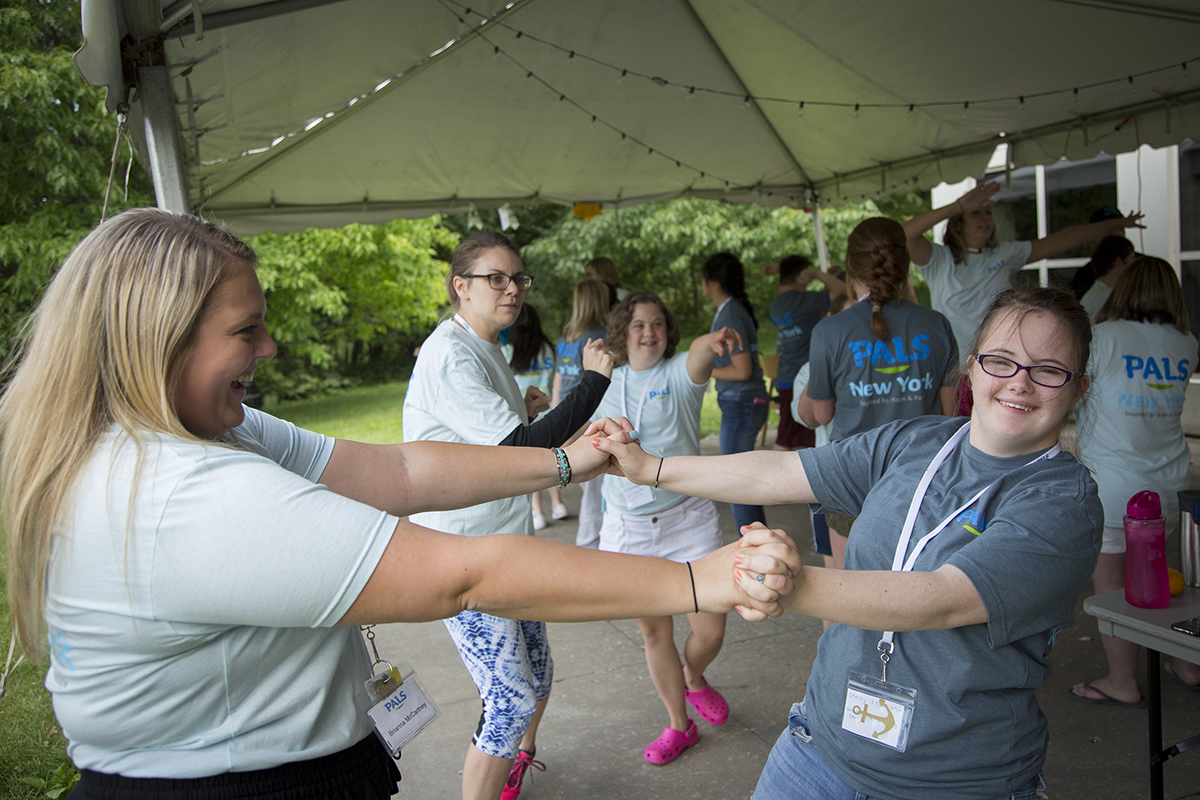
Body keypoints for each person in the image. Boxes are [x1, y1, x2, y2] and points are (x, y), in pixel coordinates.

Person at [1, 209, 801, 800]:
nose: (270, 348)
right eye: (247, 331)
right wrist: (697, 580)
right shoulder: (181, 492)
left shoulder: (209, 432)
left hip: (258, 772)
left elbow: (401, 470)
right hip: (237, 786)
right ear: (160, 338)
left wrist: (564, 460)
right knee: (511, 693)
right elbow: (465, 575)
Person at [597, 284, 1103, 800]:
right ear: (973, 367)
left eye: (1048, 370)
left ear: (1078, 389)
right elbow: (780, 472)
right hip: (818, 748)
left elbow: (944, 598)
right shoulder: (917, 442)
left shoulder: (1064, 502)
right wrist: (651, 468)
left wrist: (786, 585)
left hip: (953, 783)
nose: (1019, 382)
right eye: (1001, 360)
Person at [403, 231, 619, 800]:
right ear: (461, 286)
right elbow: (519, 452)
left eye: (518, 278)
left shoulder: (484, 345)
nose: (512, 289)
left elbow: (488, 439)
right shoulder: (451, 354)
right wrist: (593, 382)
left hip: (505, 544)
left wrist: (520, 411)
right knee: (509, 700)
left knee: (538, 678)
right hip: (461, 557)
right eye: (495, 278)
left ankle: (514, 766)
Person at [593, 291, 744, 765]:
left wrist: (711, 341)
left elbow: (698, 356)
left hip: (687, 518)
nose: (649, 332)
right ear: (623, 331)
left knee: (711, 629)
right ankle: (680, 725)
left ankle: (694, 676)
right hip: (629, 526)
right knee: (655, 634)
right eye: (639, 324)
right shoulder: (604, 381)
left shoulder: (677, 372)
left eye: (657, 323)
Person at [796, 218, 958, 574]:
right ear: (904, 263)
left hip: (851, 480)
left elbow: (820, 415)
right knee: (917, 583)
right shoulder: (936, 324)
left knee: (852, 587)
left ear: (851, 265)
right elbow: (950, 414)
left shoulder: (829, 330)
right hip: (922, 479)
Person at [1072, 256, 1200, 705]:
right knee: (1162, 575)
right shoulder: (1186, 342)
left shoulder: (1104, 337)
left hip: (1113, 485)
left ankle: (1122, 680)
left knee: (1111, 583)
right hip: (1167, 484)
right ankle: (1188, 662)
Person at [903, 180, 1144, 366]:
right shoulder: (939, 259)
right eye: (975, 212)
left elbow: (1063, 240)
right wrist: (959, 205)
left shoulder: (1005, 253)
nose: (985, 217)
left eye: (988, 212)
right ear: (958, 222)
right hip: (953, 370)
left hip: (999, 364)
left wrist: (1116, 224)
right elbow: (904, 235)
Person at [701, 252, 769, 530]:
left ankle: (752, 545)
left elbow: (742, 371)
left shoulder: (730, 314)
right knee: (741, 482)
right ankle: (756, 542)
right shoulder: (732, 311)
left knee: (736, 483)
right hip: (743, 402)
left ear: (713, 282)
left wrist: (705, 370)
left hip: (742, 402)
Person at [552, 278, 612, 548]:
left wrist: (556, 416)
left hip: (566, 412)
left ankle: (591, 539)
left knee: (588, 482)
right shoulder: (599, 337)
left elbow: (558, 379)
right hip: (589, 414)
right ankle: (592, 540)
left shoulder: (566, 337)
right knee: (596, 482)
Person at [767, 255, 845, 451]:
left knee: (787, 433)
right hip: (803, 377)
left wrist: (825, 280)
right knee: (796, 438)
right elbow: (843, 292)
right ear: (802, 275)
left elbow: (817, 309)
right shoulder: (802, 301)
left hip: (785, 374)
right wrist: (819, 274)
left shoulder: (777, 303)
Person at [504, 304, 564, 530]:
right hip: (547, 410)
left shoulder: (508, 351)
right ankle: (558, 504)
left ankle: (537, 512)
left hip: (524, 414)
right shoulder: (548, 349)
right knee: (553, 460)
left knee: (533, 467)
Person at [1077, 236, 1136, 321]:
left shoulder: (1108, 295)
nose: (1134, 269)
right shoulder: (1096, 301)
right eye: (1132, 262)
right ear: (1118, 262)